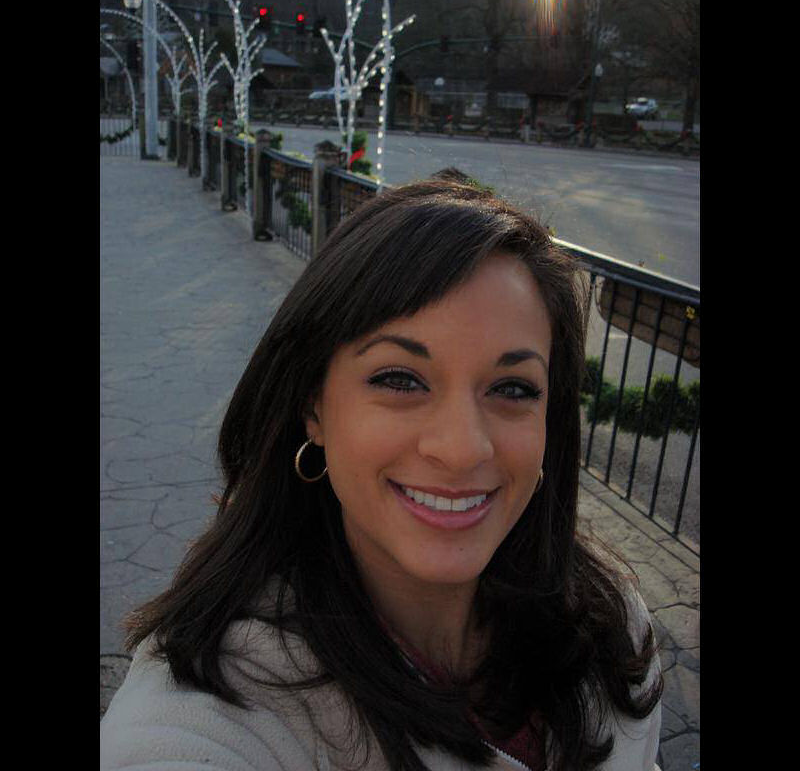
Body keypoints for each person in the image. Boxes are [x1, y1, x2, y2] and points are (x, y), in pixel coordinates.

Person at [101, 179, 663, 771]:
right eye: (399, 380)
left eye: (513, 389)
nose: (462, 449)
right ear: (314, 406)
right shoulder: (217, 699)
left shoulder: (611, 623)